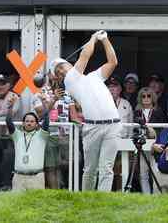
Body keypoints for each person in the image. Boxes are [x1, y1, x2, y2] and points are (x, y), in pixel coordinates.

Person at [50, 30, 119, 191]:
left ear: (69, 64)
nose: (61, 71)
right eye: (58, 72)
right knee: (90, 169)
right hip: (92, 127)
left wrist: (105, 40)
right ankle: (87, 199)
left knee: (107, 168)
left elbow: (113, 62)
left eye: (62, 66)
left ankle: (102, 202)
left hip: (113, 125)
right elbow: (85, 56)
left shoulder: (94, 76)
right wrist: (94, 38)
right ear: (59, 78)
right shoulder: (70, 81)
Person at [6, 96, 49, 191]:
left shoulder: (41, 135)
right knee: (17, 205)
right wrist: (10, 107)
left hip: (36, 178)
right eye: (27, 121)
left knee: (36, 205)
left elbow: (46, 121)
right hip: (19, 177)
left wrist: (44, 105)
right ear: (23, 123)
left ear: (37, 124)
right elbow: (8, 122)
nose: (29, 123)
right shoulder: (17, 135)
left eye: (32, 121)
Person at [133, 87, 166, 194]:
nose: (146, 98)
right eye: (143, 96)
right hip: (142, 144)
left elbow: (163, 129)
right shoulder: (137, 112)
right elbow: (134, 129)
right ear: (140, 98)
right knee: (143, 173)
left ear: (153, 98)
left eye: (149, 96)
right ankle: (146, 196)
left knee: (155, 171)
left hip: (155, 145)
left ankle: (156, 194)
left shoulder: (159, 111)